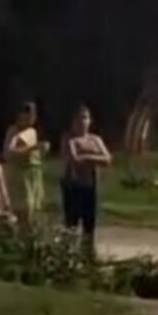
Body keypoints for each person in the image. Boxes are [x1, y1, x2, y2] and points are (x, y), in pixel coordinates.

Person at [61, 106, 112, 256]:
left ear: (90, 121)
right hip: (73, 186)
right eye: (79, 118)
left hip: (91, 185)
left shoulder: (95, 139)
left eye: (85, 118)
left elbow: (107, 159)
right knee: (72, 222)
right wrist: (95, 158)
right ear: (73, 121)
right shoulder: (69, 138)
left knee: (90, 222)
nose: (82, 122)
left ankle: (88, 253)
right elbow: (74, 159)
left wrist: (86, 157)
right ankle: (69, 254)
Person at [4, 102, 49, 228]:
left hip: (34, 174)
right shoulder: (13, 131)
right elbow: (9, 153)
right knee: (24, 210)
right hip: (20, 176)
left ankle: (32, 234)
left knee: (35, 210)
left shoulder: (32, 131)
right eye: (28, 115)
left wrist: (41, 151)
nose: (31, 119)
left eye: (33, 116)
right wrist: (32, 148)